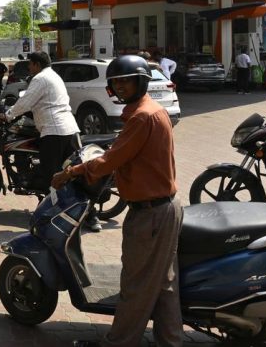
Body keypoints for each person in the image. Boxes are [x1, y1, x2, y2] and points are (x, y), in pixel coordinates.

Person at [54, 55, 183, 347]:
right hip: (164, 209)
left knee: (136, 285)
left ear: (141, 82)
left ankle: (119, 343)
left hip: (150, 214)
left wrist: (71, 172)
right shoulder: (151, 110)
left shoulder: (141, 116)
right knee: (164, 284)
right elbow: (127, 152)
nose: (121, 87)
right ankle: (171, 341)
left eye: (126, 81)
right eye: (116, 83)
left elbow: (109, 161)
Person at [0, 52, 82, 198]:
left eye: (30, 63)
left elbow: (26, 102)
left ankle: (52, 209)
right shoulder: (54, 76)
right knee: (71, 174)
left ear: (37, 64)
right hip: (69, 129)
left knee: (51, 175)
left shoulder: (40, 78)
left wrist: (7, 115)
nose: (29, 67)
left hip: (54, 131)